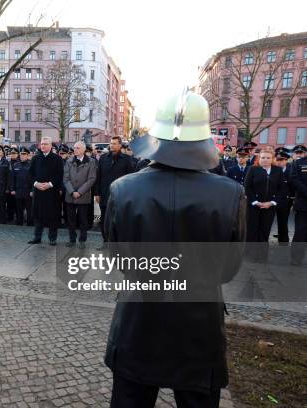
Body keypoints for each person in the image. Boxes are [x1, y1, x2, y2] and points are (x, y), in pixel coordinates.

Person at [105, 91, 246, 408]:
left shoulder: (123, 189)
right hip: (199, 326)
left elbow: (118, 257)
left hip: (138, 320)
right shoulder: (231, 194)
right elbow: (229, 269)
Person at [244, 147, 283, 262]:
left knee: (265, 230)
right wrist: (255, 202)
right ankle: (250, 254)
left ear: (272, 159)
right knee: (252, 230)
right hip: (253, 206)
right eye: (263, 157)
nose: (265, 160)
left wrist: (272, 202)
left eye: (268, 158)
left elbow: (282, 189)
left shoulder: (277, 171)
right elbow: (247, 187)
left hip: (269, 207)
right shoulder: (253, 169)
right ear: (258, 158)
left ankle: (261, 256)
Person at [94, 136, 135, 247]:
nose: (112, 145)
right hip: (104, 193)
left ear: (120, 145)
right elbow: (98, 176)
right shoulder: (103, 158)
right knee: (104, 219)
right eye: (111, 143)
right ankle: (105, 241)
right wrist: (97, 193)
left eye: (115, 143)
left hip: (120, 195)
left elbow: (130, 178)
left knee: (117, 219)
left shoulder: (126, 159)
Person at [28, 137, 64, 245]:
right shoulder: (35, 158)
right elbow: (30, 174)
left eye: (45, 144)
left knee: (52, 216)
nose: (43, 146)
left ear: (51, 146)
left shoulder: (57, 159)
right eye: (42, 144)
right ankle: (37, 237)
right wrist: (36, 184)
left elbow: (60, 175)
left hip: (51, 192)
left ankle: (52, 238)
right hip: (38, 191)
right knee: (38, 215)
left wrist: (49, 184)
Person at [63, 141, 97, 248]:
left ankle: (82, 240)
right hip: (70, 195)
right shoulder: (69, 161)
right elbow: (66, 179)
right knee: (71, 219)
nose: (75, 150)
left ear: (83, 150)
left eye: (77, 148)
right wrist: (72, 191)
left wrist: (80, 192)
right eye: (74, 148)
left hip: (84, 195)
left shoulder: (91, 162)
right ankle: (72, 239)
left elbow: (91, 179)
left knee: (83, 219)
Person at [290, 146, 307, 265]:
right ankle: (296, 258)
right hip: (303, 203)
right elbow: (294, 179)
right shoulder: (299, 163)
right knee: (300, 232)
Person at [10, 147, 33, 226]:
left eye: (24, 154)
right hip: (18, 190)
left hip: (28, 191)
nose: (22, 156)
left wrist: (32, 190)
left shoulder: (31, 164)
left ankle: (30, 223)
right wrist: (12, 189)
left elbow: (34, 179)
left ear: (27, 155)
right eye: (21, 154)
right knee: (19, 209)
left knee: (29, 209)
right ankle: (19, 222)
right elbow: (13, 178)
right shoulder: (16, 165)